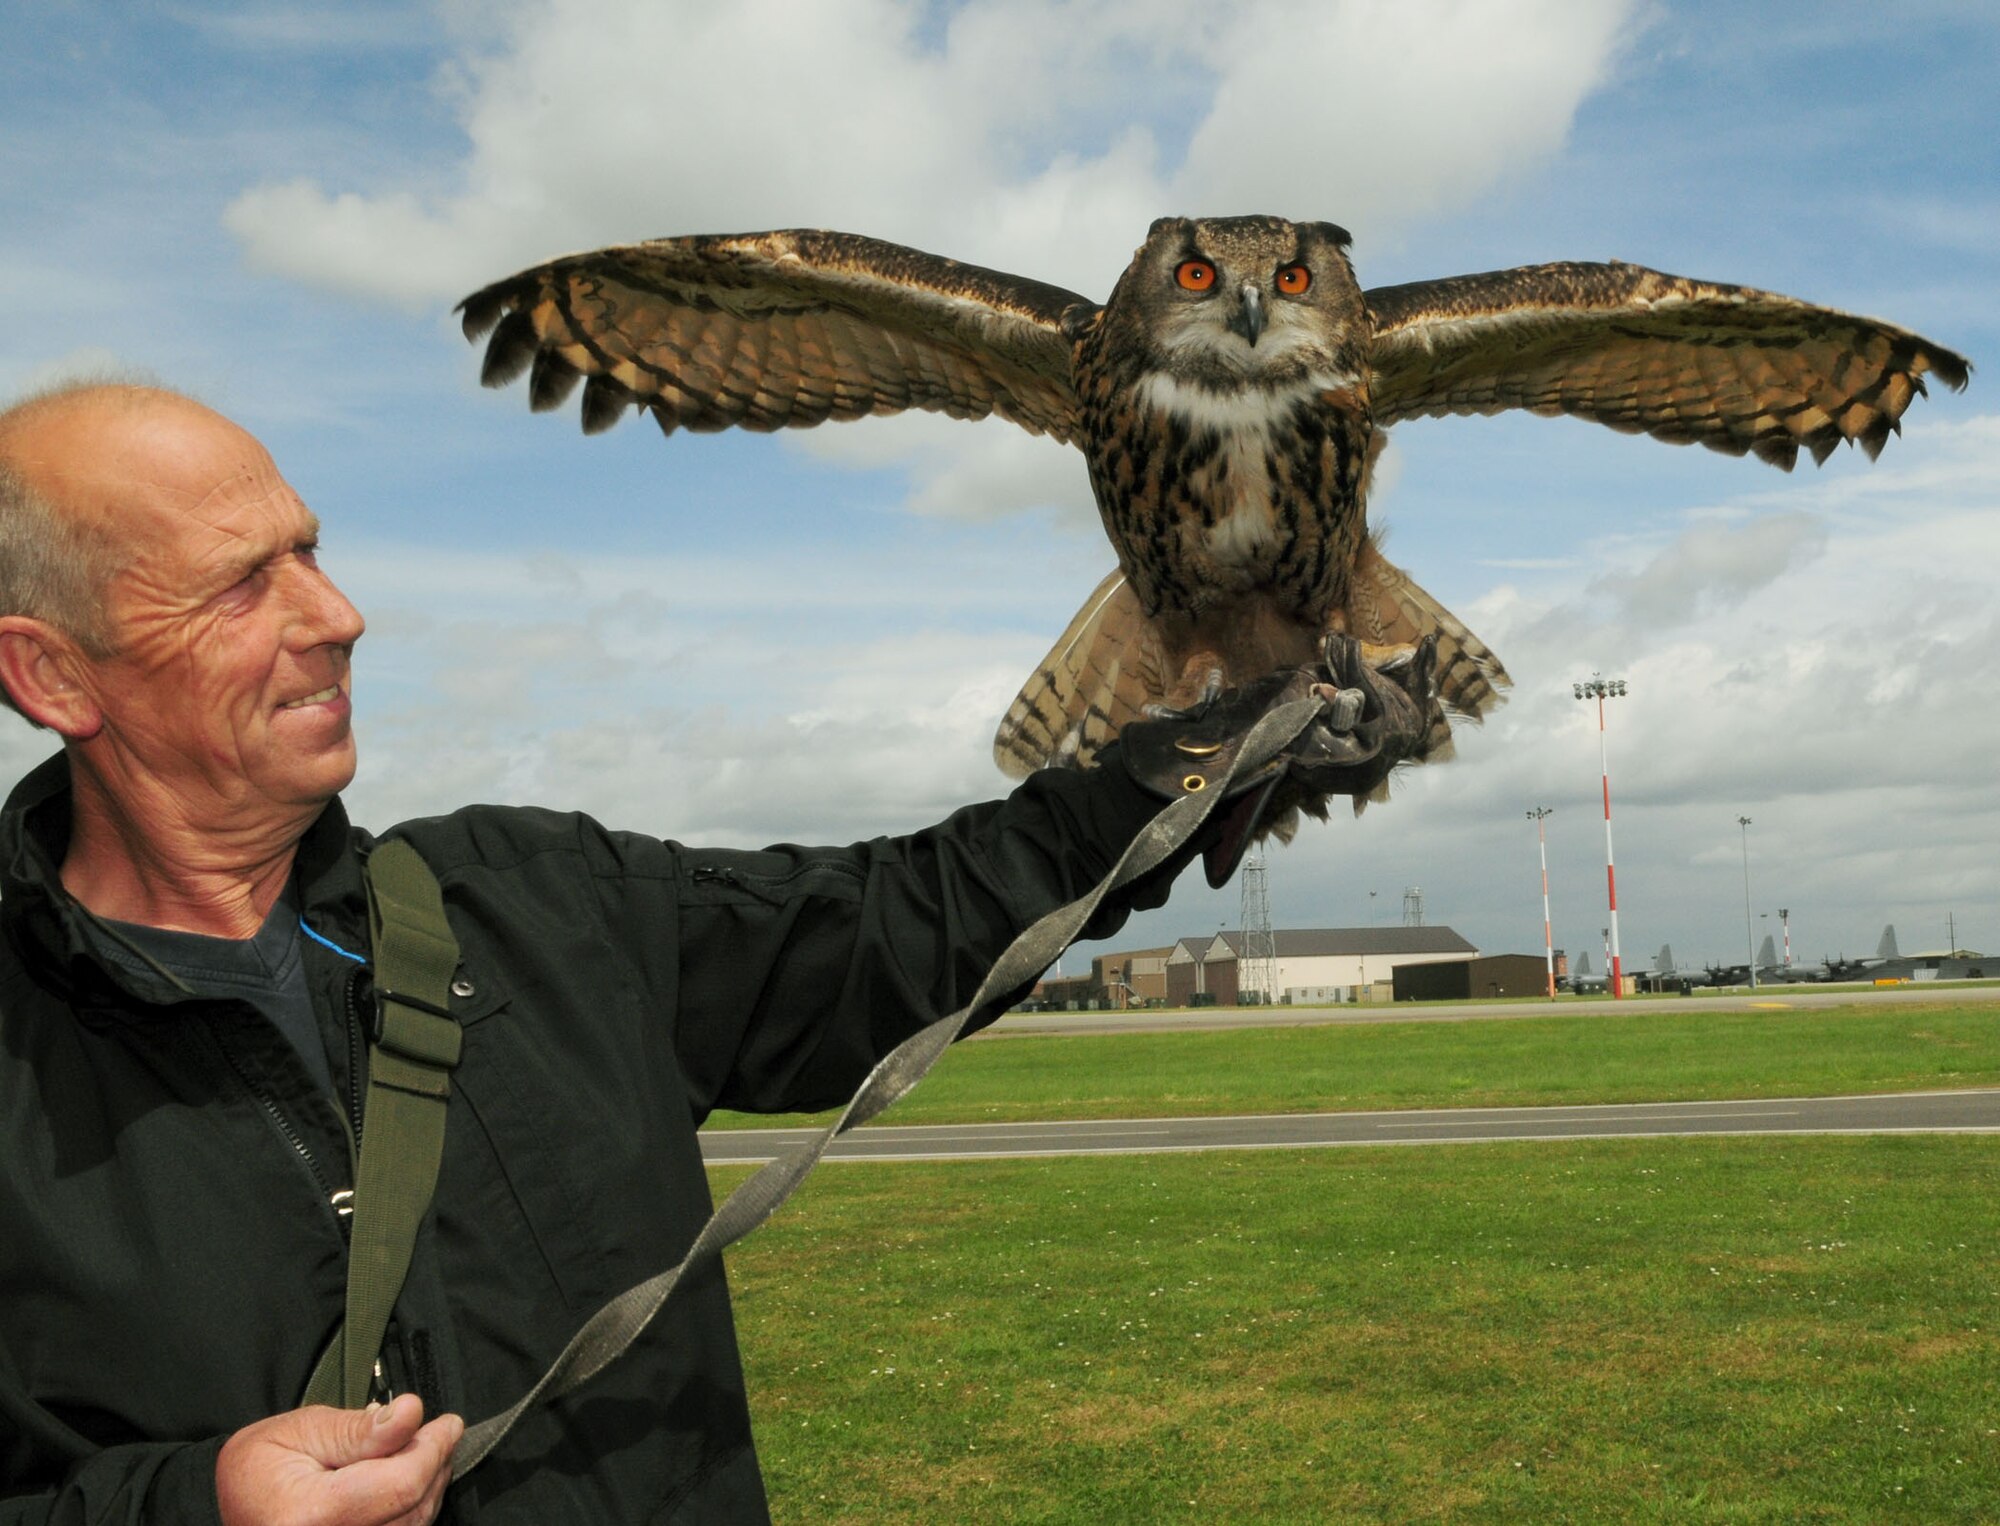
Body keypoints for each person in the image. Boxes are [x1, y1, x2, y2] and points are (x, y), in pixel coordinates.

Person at [0, 382, 1425, 1524]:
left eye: (312, 548)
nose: (337, 614)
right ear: (55, 673)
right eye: (245, 586)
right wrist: (191, 1503)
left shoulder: (537, 899)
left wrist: (1174, 771)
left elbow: (896, 918)